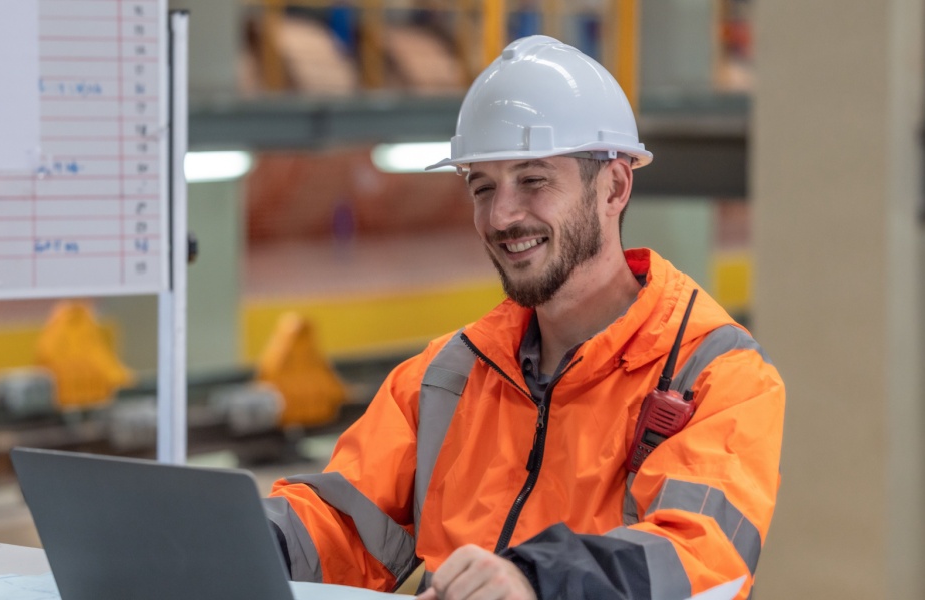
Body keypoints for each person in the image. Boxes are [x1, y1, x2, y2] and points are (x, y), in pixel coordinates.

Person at [264, 35, 785, 600]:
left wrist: (533, 579)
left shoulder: (717, 375)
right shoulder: (446, 379)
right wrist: (239, 540)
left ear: (614, 186)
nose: (502, 215)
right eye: (482, 187)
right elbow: (341, 525)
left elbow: (698, 552)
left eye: (533, 180)